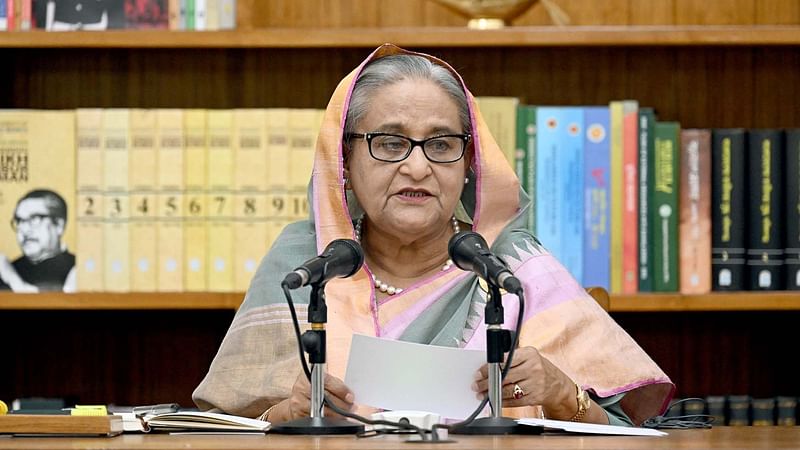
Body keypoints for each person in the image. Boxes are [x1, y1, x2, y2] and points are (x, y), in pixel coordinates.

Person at [193, 44, 673, 426]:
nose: (417, 167)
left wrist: (563, 393)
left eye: (442, 144)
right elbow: (222, 428)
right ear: (345, 160)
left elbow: (621, 433)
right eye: (390, 142)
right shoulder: (307, 262)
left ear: (469, 164)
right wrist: (286, 415)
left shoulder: (508, 268)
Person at [0, 189, 76, 293]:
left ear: (59, 225)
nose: (25, 230)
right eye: (20, 221)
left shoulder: (77, 269)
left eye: (35, 219)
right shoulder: (8, 269)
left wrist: (12, 278)